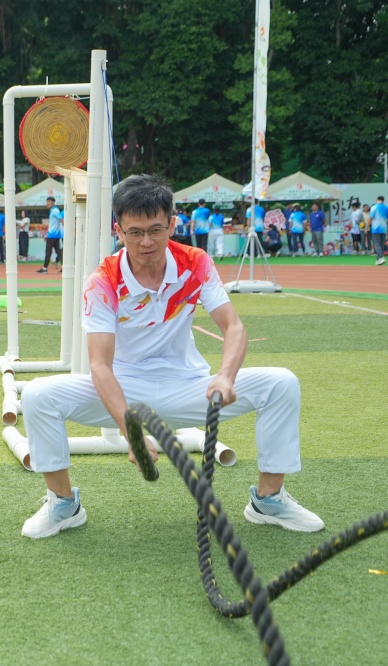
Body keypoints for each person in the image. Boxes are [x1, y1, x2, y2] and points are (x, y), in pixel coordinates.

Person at [19, 173, 324, 539]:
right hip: (124, 389)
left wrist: (226, 376)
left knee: (282, 383)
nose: (146, 242)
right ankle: (63, 503)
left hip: (189, 386)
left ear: (172, 225)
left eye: (156, 230)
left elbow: (234, 327)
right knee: (37, 394)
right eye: (135, 232)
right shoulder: (103, 280)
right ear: (118, 230)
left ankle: (268, 500)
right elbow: (99, 365)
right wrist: (131, 432)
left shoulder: (195, 262)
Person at [37, 197, 63, 273]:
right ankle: (64, 268)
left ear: (53, 202)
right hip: (55, 235)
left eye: (49, 201)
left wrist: (67, 229)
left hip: (52, 235)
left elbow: (61, 220)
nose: (47, 203)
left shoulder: (55, 211)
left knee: (48, 252)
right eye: (47, 201)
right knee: (58, 252)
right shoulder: (53, 210)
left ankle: (45, 268)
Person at [368, 196, 388, 265]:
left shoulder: (374, 207)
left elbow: (370, 218)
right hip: (384, 228)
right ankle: (378, 259)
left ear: (377, 200)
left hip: (375, 228)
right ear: (383, 200)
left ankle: (381, 257)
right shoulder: (386, 208)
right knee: (381, 244)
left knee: (377, 244)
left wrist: (366, 227)